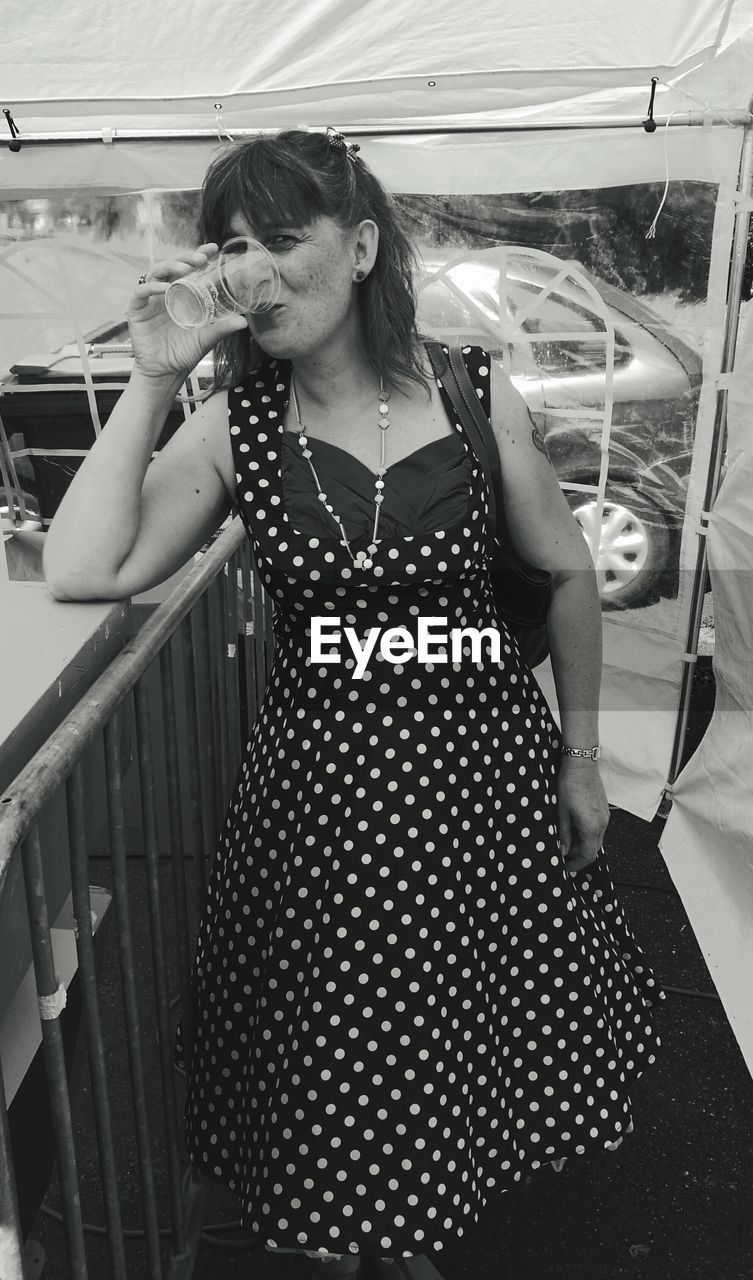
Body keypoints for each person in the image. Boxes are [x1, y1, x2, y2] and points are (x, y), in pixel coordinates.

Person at [43, 129, 663, 1279]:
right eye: (234, 246)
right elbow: (85, 565)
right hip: (324, 820)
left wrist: (581, 759)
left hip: (482, 800)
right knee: (341, 1055)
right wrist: (153, 374)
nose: (254, 271)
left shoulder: (475, 393)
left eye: (285, 238)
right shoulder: (241, 427)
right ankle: (356, 1243)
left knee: (456, 1039)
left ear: (363, 245)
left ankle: (398, 1237)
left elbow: (572, 572)